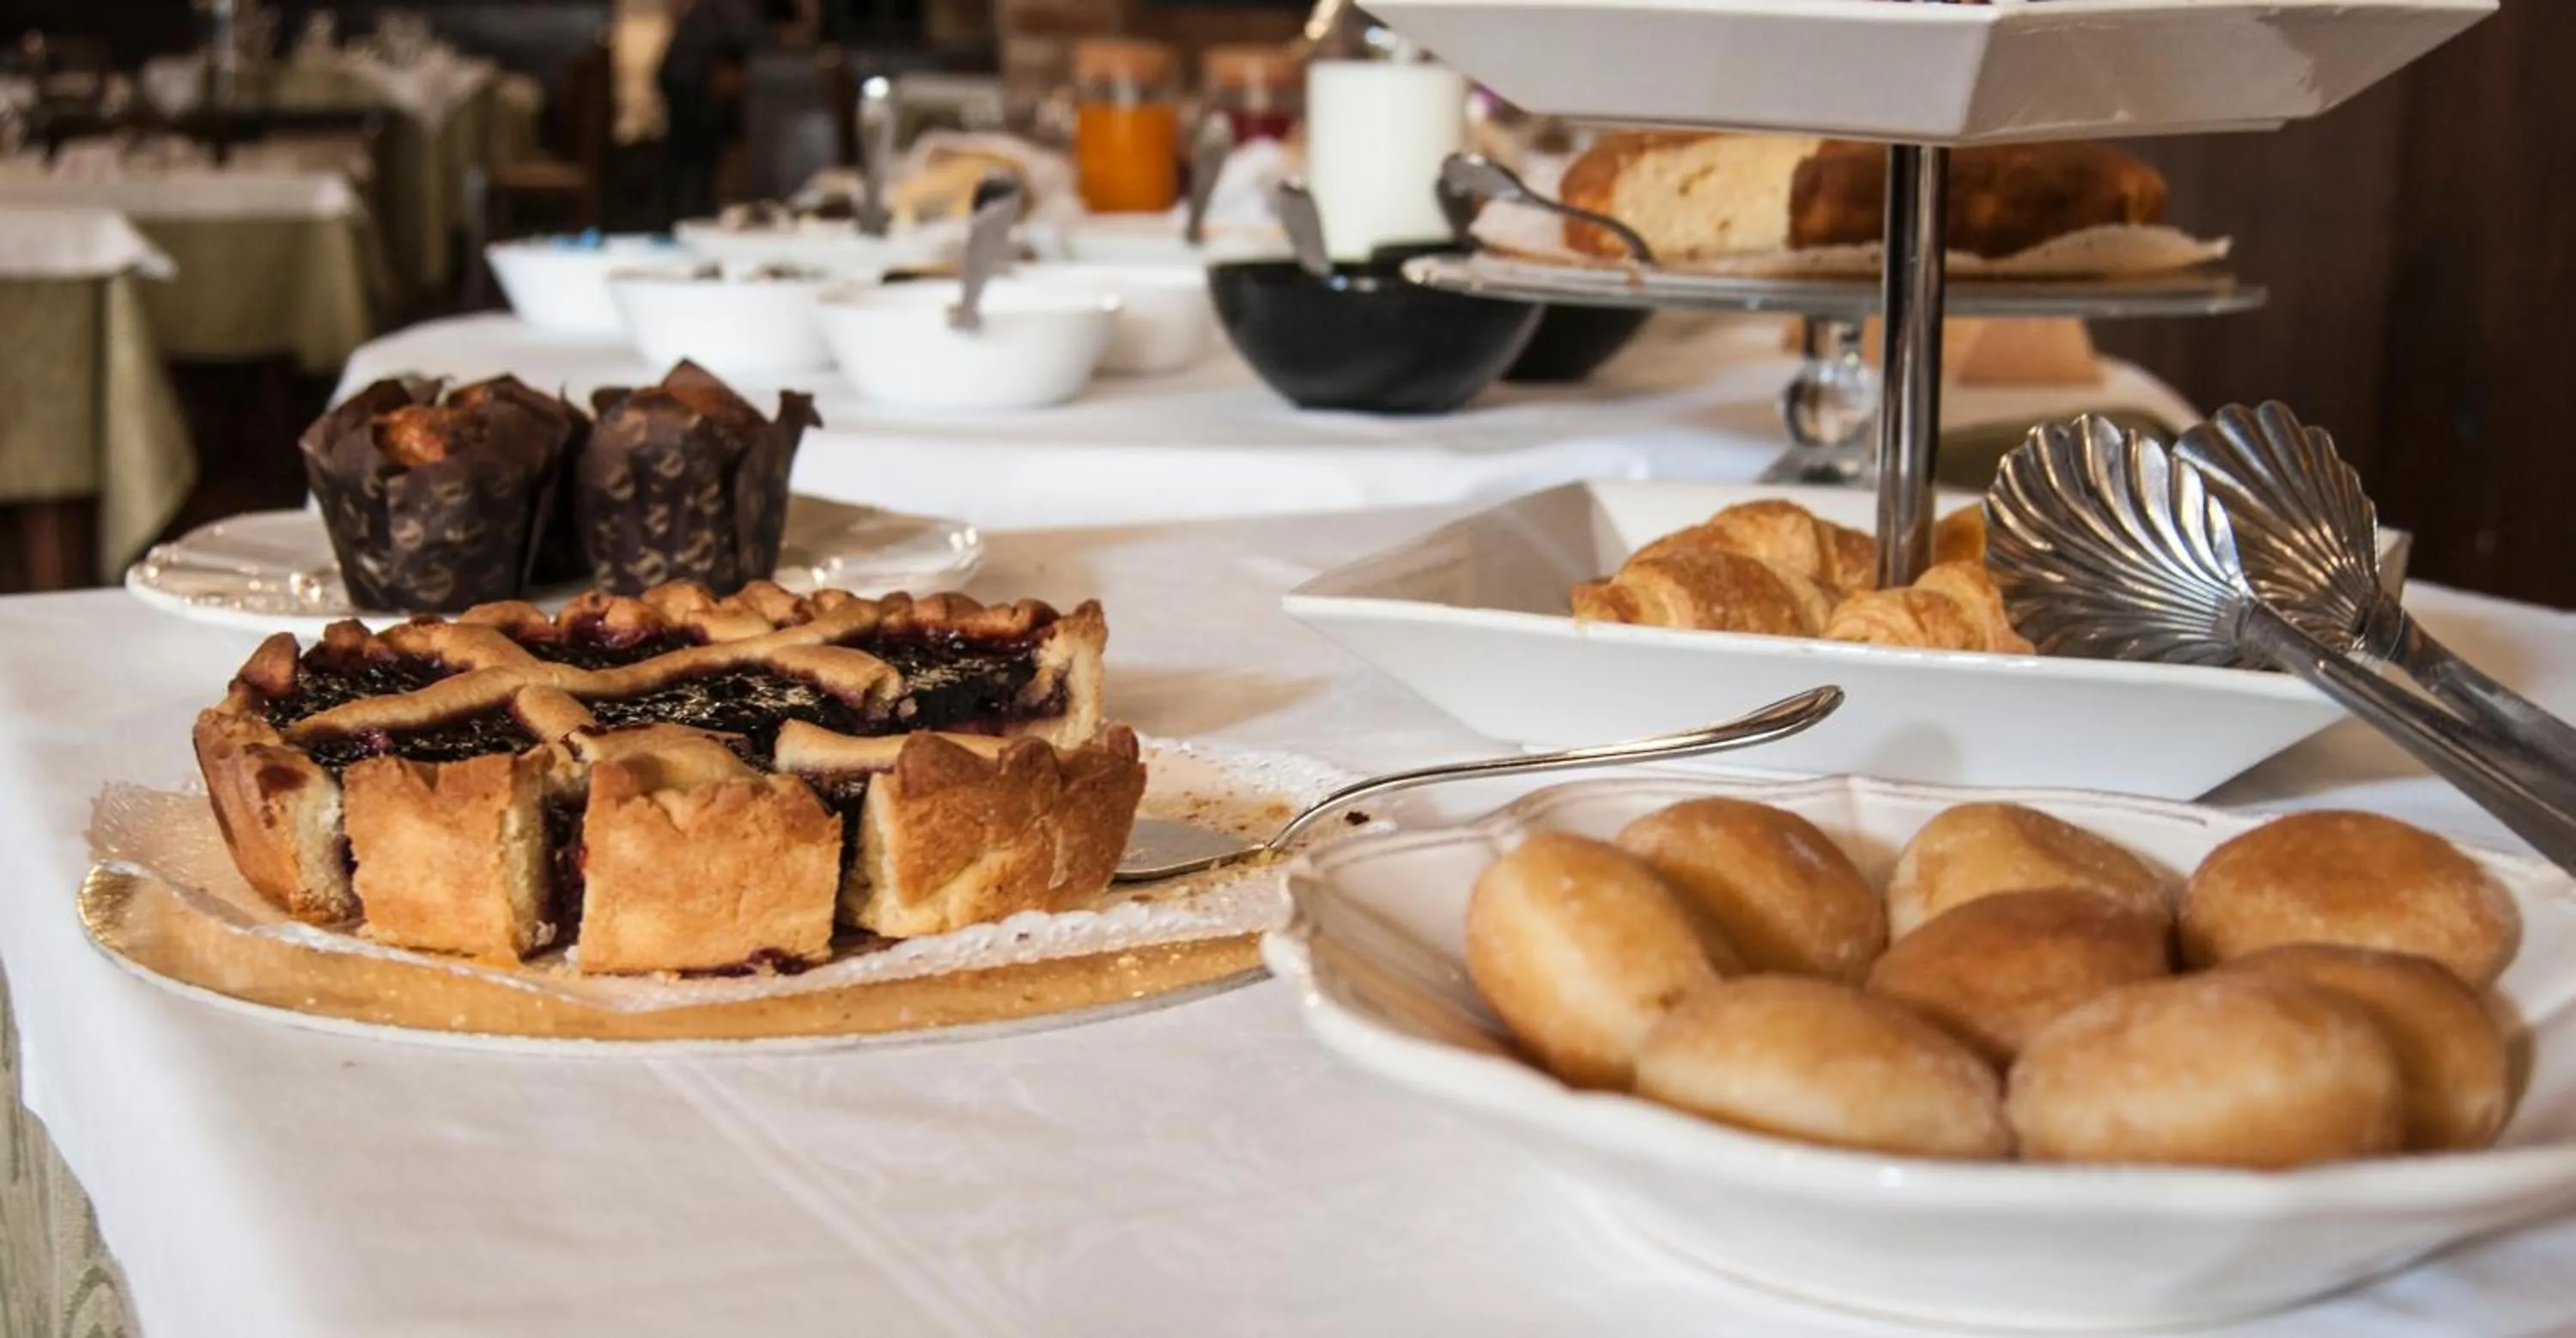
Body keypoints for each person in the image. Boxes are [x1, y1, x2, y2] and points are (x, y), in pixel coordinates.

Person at [658, 0, 762, 224]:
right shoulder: (731, 12)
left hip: (685, 79)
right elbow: (734, 44)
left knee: (690, 165)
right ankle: (689, 220)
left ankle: (685, 219)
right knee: (695, 166)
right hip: (691, 83)